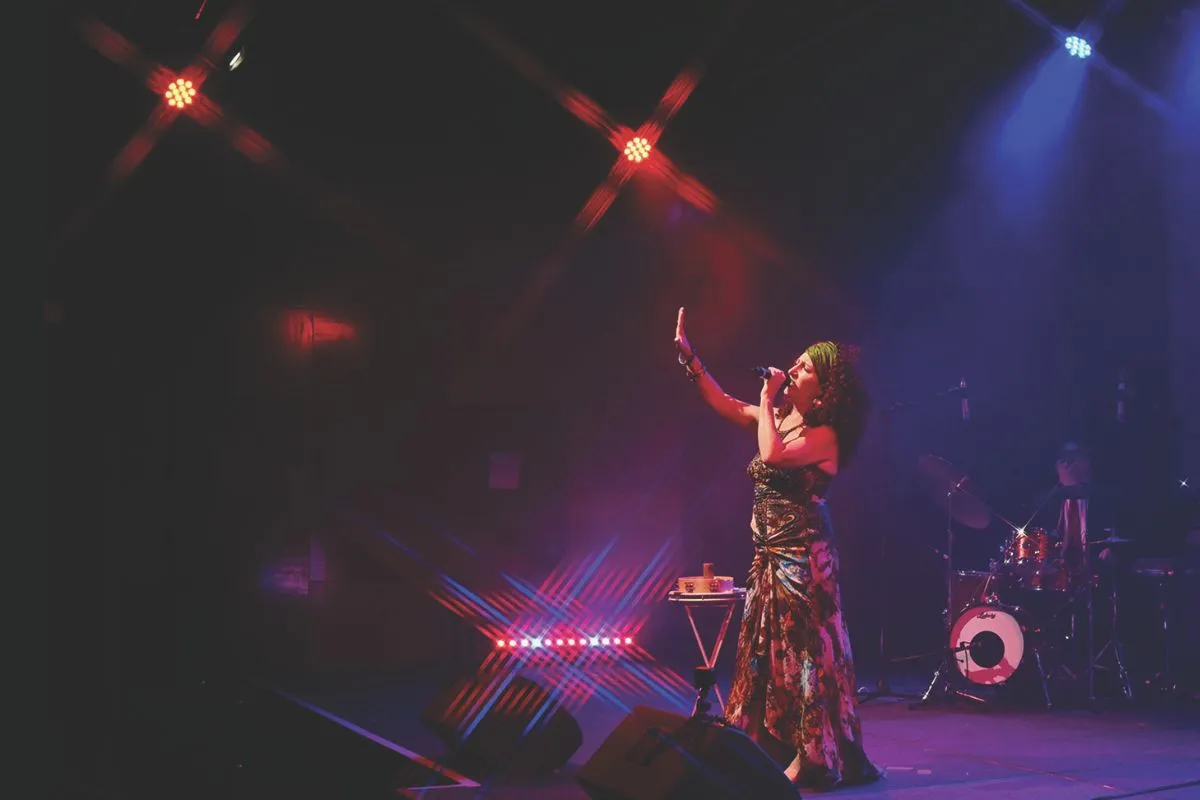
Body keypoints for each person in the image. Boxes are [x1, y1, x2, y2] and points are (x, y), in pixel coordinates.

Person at [674, 307, 881, 790]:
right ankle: (760, 746)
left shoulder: (826, 435)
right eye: (797, 361)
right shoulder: (782, 417)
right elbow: (727, 404)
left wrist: (767, 397)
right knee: (762, 653)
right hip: (768, 555)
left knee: (806, 654)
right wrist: (692, 361)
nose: (793, 369)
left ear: (825, 386)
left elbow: (771, 456)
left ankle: (815, 758)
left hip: (804, 557)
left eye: (806, 367)